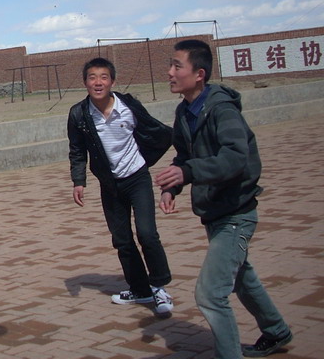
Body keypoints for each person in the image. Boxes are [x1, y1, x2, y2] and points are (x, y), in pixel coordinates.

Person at [155, 39, 292, 358]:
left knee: (210, 294)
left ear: (199, 74)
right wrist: (172, 186)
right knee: (242, 277)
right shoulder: (185, 110)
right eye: (170, 65)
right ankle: (276, 330)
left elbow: (235, 158)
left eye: (177, 66)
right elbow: (184, 156)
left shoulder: (221, 109)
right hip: (215, 212)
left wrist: (188, 172)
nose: (170, 72)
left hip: (236, 214)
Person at [68, 57, 174, 314]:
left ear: (112, 82)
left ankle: (159, 287)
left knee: (147, 233)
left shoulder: (128, 106)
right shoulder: (79, 113)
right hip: (110, 184)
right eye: (92, 77)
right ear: (85, 82)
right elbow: (77, 150)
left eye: (104, 77)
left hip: (137, 178)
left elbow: (153, 130)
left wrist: (153, 158)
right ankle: (140, 290)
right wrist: (78, 181)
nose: (98, 82)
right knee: (122, 240)